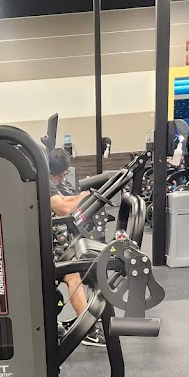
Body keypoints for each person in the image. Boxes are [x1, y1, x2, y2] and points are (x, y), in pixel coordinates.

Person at [48, 147, 105, 347]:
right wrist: (84, 195)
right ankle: (89, 331)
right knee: (73, 274)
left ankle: (87, 318)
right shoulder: (45, 183)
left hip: (44, 242)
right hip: (37, 248)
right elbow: (63, 207)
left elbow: (65, 200)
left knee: (82, 262)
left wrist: (84, 194)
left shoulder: (50, 183)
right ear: (64, 172)